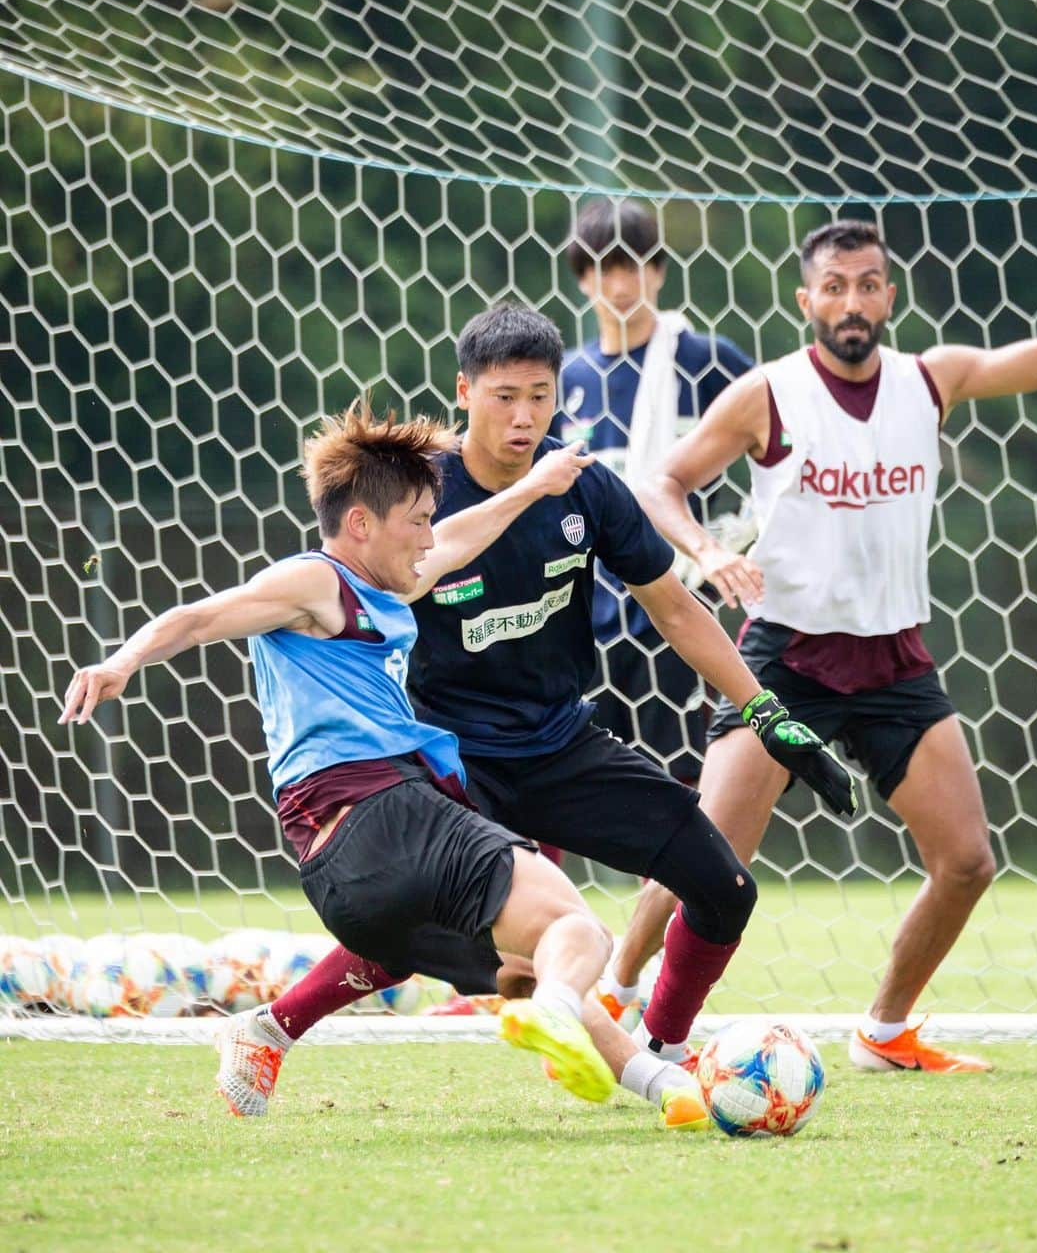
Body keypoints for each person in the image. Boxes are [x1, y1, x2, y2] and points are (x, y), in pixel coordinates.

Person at [215, 302, 856, 1119]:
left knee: (724, 887)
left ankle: (664, 1050)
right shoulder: (420, 498)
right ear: (464, 391)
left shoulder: (584, 486)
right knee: (433, 941)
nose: (523, 417)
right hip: (445, 765)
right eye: (503, 396)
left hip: (560, 744)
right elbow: (336, 590)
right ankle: (271, 1030)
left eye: (541, 397)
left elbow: (674, 609)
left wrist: (765, 712)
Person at [59, 401, 627, 1112]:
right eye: (416, 518)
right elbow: (201, 616)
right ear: (360, 524)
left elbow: (457, 542)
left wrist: (533, 488)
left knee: (502, 961)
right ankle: (629, 1048)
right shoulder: (316, 583)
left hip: (358, 839)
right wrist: (123, 660)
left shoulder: (388, 583)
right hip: (365, 806)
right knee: (566, 927)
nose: (427, 536)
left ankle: (663, 1085)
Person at [609, 218, 1037, 1073]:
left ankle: (885, 1032)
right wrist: (709, 552)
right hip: (786, 658)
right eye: (835, 287)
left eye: (868, 284)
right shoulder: (769, 394)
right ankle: (616, 988)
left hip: (895, 660)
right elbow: (660, 484)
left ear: (888, 296)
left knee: (968, 861)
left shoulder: (932, 379)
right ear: (807, 300)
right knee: (705, 859)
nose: (852, 302)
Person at [556, 197, 754, 1013]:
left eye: (635, 261)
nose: (621, 279)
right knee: (546, 779)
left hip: (671, 611)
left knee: (678, 795)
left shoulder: (707, 359)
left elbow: (774, 440)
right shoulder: (567, 378)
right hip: (581, 620)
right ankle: (531, 956)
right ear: (583, 278)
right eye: (604, 264)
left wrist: (731, 544)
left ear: (660, 271)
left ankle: (638, 973)